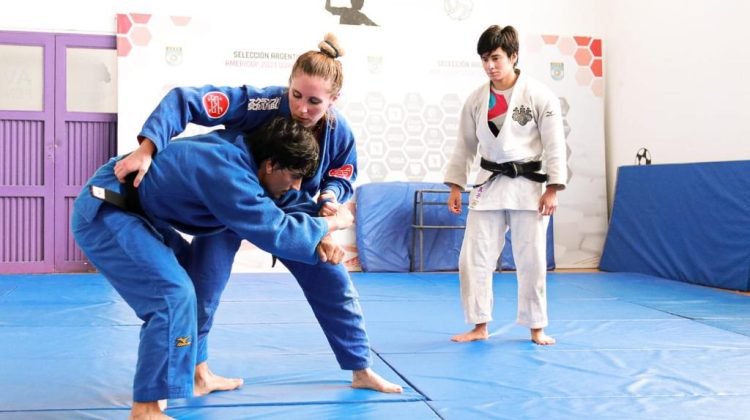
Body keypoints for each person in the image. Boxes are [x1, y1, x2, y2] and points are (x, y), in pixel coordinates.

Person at [113, 33, 402, 406]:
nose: (301, 107)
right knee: (205, 287)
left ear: (333, 100)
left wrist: (330, 198)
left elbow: (342, 173)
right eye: (296, 95)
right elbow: (187, 99)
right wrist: (146, 148)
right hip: (232, 206)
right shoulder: (263, 102)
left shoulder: (337, 131)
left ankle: (360, 368)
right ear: (288, 87)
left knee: (332, 276)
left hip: (292, 210)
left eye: (315, 101)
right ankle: (199, 372)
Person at [72, 118, 360, 419]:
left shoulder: (251, 162)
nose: (297, 186)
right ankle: (145, 409)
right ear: (272, 165)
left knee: (194, 287)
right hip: (108, 209)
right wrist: (332, 223)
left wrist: (321, 229)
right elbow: (277, 231)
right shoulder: (230, 174)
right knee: (173, 296)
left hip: (139, 214)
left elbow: (287, 215)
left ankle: (198, 376)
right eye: (295, 176)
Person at [444, 25, 567, 346]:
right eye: (485, 59)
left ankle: (536, 326)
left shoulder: (540, 95)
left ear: (513, 56)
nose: (490, 65)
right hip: (490, 182)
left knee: (532, 259)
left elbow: (555, 144)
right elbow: (464, 146)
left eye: (496, 58)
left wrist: (554, 187)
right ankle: (479, 325)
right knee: (474, 258)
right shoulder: (475, 100)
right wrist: (456, 185)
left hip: (530, 186)